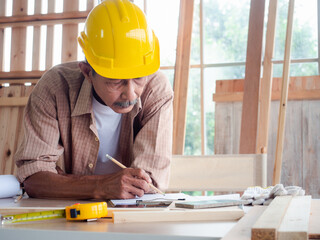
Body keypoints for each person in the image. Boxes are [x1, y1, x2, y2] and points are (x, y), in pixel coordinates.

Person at [14, 0, 173, 200]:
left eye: (139, 78)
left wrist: (64, 182)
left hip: (132, 216)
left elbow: (149, 182)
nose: (130, 94)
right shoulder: (54, 87)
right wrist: (101, 186)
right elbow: (33, 178)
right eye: (116, 81)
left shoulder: (156, 88)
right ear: (88, 72)